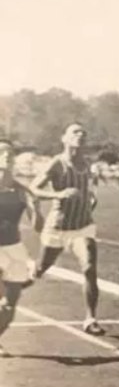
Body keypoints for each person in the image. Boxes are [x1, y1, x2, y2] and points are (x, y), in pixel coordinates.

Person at [29, 123, 105, 336]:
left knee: (89, 267)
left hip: (83, 226)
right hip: (58, 227)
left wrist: (90, 197)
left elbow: (86, 188)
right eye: (75, 132)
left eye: (83, 132)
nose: (80, 135)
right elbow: (33, 189)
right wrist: (58, 195)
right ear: (64, 138)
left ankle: (91, 319)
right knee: (40, 269)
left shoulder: (87, 164)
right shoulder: (57, 163)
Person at [0, 140, 42, 357]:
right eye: (2, 153)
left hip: (14, 248)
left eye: (10, 153)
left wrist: (36, 208)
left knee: (9, 306)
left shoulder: (21, 190)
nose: (6, 156)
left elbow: (38, 227)